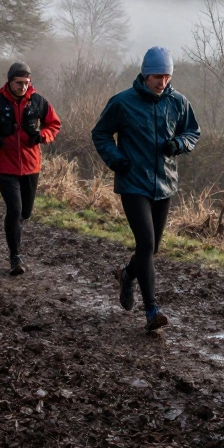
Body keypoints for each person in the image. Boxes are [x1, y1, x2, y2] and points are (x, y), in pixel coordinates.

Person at [91, 47, 199, 333]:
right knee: (147, 245)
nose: (161, 82)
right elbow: (100, 133)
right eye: (156, 76)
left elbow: (193, 132)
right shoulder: (123, 103)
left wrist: (179, 144)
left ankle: (127, 275)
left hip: (164, 184)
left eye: (166, 76)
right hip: (133, 182)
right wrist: (115, 159)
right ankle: (152, 310)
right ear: (144, 73)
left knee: (152, 248)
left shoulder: (178, 102)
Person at [0, 62, 61, 275]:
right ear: (10, 82)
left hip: (31, 164)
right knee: (14, 210)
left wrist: (43, 136)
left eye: (26, 83)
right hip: (5, 164)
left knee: (25, 212)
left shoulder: (39, 102)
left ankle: (14, 230)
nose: (23, 87)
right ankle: (15, 257)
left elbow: (54, 124)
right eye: (18, 83)